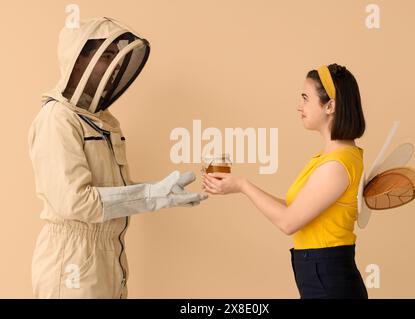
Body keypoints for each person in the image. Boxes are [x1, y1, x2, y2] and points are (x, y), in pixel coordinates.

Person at [28, 17, 207, 299]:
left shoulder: (102, 120)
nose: (115, 67)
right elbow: (76, 202)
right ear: (78, 61)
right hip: (72, 263)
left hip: (109, 255)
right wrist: (149, 195)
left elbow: (111, 191)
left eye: (116, 57)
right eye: (107, 57)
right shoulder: (57, 119)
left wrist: (160, 194)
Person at [202, 64, 368, 299]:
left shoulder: (336, 165)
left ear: (330, 105)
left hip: (329, 278)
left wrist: (242, 185)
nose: (299, 107)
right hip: (322, 274)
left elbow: (289, 222)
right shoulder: (330, 157)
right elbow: (295, 210)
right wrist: (238, 187)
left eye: (305, 98)